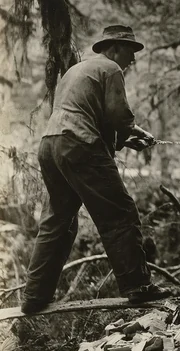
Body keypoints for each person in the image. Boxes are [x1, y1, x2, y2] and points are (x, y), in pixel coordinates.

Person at [21, 24, 164, 314]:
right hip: (78, 145)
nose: (132, 59)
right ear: (113, 48)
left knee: (58, 221)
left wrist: (128, 137)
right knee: (120, 212)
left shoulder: (78, 70)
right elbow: (117, 116)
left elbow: (90, 115)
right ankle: (137, 285)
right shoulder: (111, 69)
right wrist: (130, 135)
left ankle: (34, 295)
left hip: (51, 145)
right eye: (129, 51)